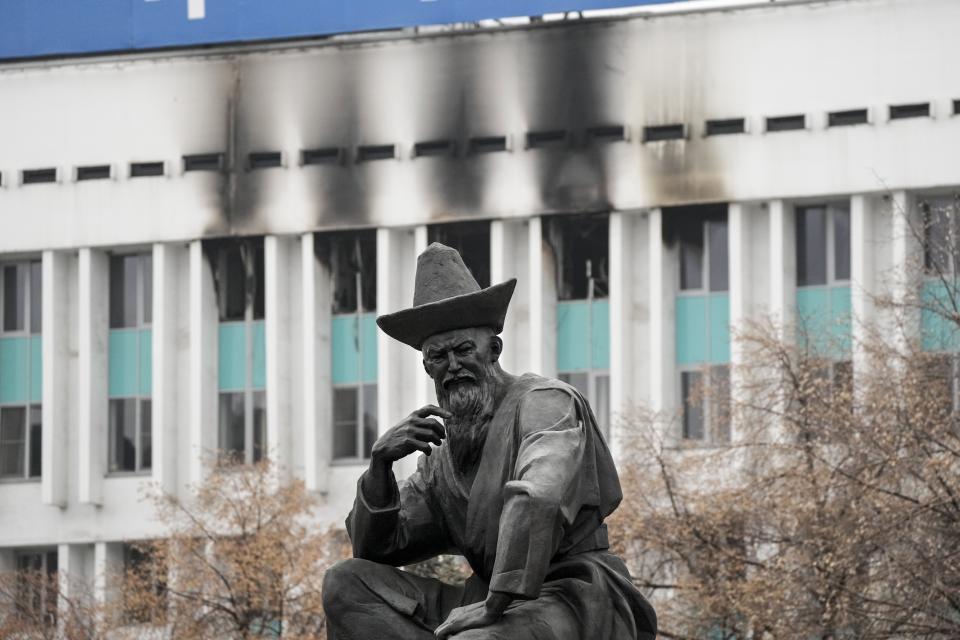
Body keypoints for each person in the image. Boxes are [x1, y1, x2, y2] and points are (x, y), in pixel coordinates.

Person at [322, 243, 657, 640]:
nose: (452, 366)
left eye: (464, 350)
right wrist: (380, 466)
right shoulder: (444, 453)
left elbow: (539, 496)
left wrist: (495, 604)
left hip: (569, 594)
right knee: (345, 583)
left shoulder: (545, 404)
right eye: (437, 356)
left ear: (493, 349)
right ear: (426, 365)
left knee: (479, 639)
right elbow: (379, 549)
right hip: (483, 598)